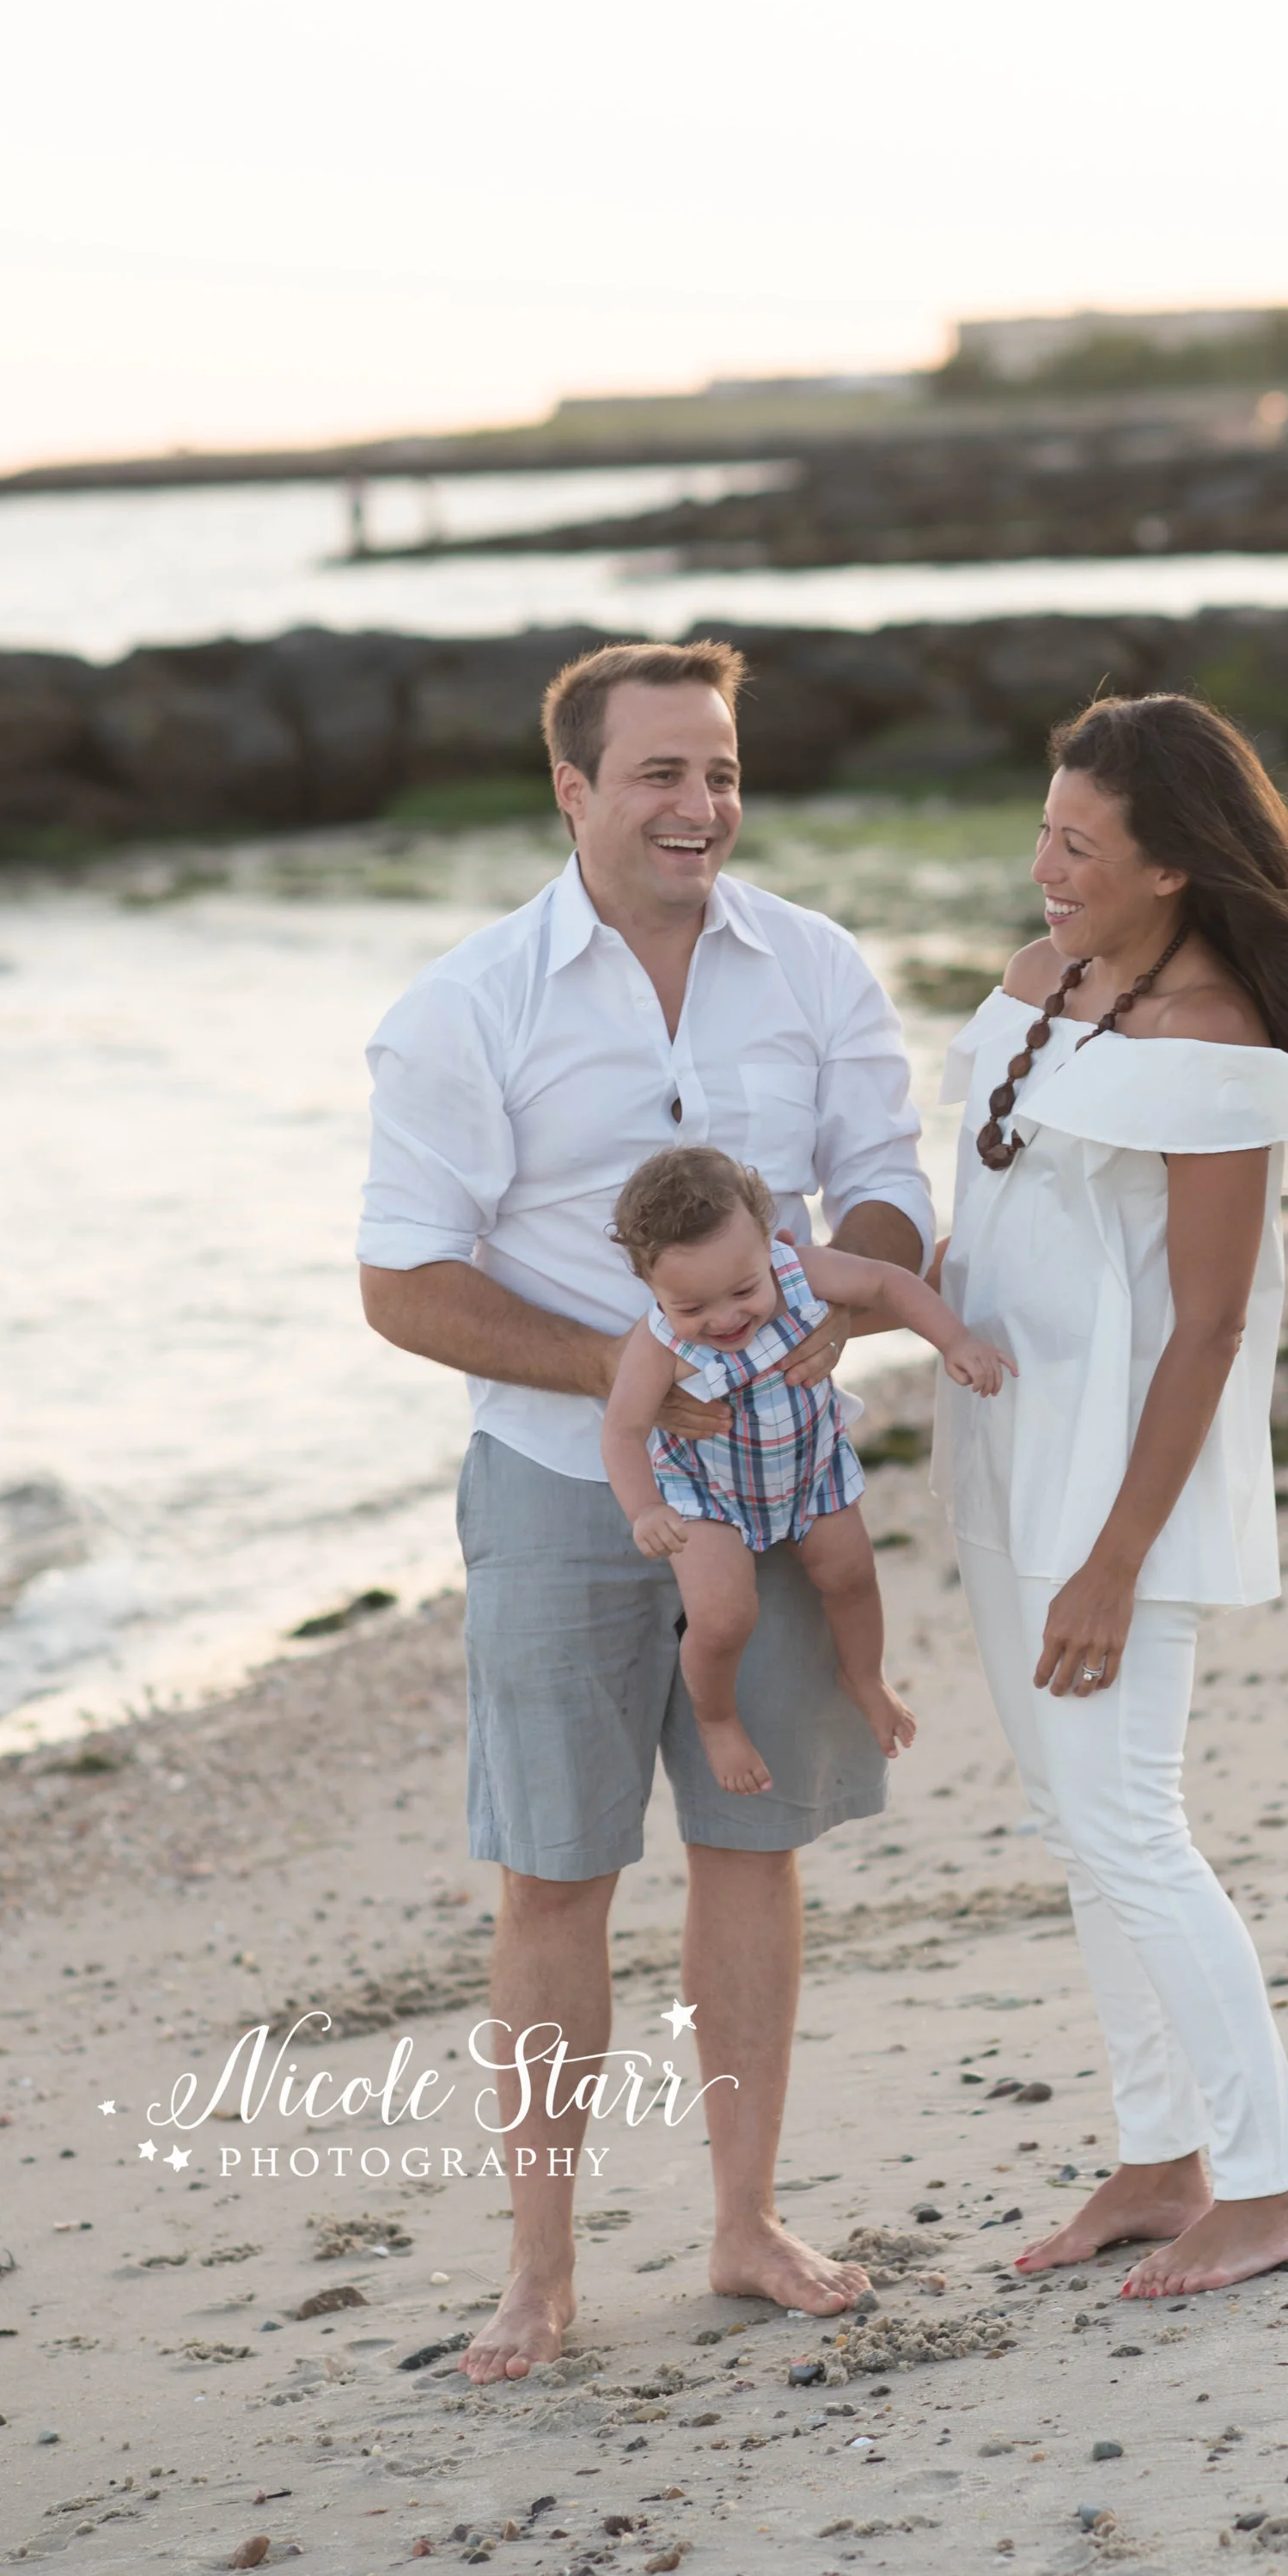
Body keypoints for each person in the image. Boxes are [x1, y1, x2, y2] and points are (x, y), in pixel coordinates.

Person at [356, 639, 934, 2377]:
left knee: (752, 1851)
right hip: (560, 1494)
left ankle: (744, 2222)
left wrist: (834, 1323)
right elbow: (402, 1285)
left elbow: (891, 1187)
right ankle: (538, 2270)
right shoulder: (466, 1006)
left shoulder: (815, 969)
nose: (700, 806)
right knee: (553, 1876)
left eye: (719, 771)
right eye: (660, 775)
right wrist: (640, 1379)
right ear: (573, 791)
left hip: (773, 1492)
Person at [931, 692, 1288, 2298]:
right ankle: (1158, 2157)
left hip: (1123, 1489)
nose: (1044, 864)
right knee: (1076, 1827)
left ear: (1175, 868)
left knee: (1131, 1823)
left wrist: (1118, 1560)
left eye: (1079, 844)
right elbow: (987, 1226)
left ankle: (1270, 2187)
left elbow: (1210, 1324)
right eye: (1046, 828)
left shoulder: (1215, 1055)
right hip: (1003, 1451)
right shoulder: (1043, 982)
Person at [602, 1141, 1010, 1793]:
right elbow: (622, 1430)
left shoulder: (799, 1272)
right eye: (694, 1309)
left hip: (808, 1464)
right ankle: (718, 1717)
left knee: (851, 1572)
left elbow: (888, 1281)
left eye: (743, 1289)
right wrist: (645, 1508)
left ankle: (866, 1674)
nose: (726, 1317)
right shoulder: (657, 1344)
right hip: (709, 1491)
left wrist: (954, 1340)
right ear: (651, 1287)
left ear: (769, 1243)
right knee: (724, 1614)